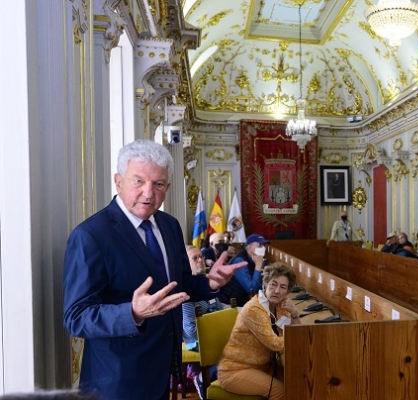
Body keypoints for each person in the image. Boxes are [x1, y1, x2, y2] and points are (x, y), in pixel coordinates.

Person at [63, 140, 245, 400]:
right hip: (117, 381)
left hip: (163, 372)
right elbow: (76, 317)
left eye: (158, 184)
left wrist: (210, 284)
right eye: (138, 181)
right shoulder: (91, 236)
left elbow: (177, 285)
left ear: (167, 188)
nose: (149, 193)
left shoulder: (169, 226)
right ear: (118, 181)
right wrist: (132, 312)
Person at [217, 263, 301, 400]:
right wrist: (292, 337)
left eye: (283, 287)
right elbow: (275, 344)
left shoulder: (281, 306)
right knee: (281, 392)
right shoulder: (255, 309)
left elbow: (297, 334)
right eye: (273, 284)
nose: (277, 291)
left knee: (297, 384)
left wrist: (295, 315)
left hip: (262, 367)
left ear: (288, 291)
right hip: (234, 370)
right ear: (266, 283)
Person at [181, 246, 224, 398]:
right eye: (195, 258)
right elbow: (190, 331)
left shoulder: (207, 284)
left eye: (201, 256)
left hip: (212, 335)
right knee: (235, 349)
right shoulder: (185, 292)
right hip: (194, 341)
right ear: (185, 264)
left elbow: (219, 311)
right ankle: (201, 379)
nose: (200, 260)